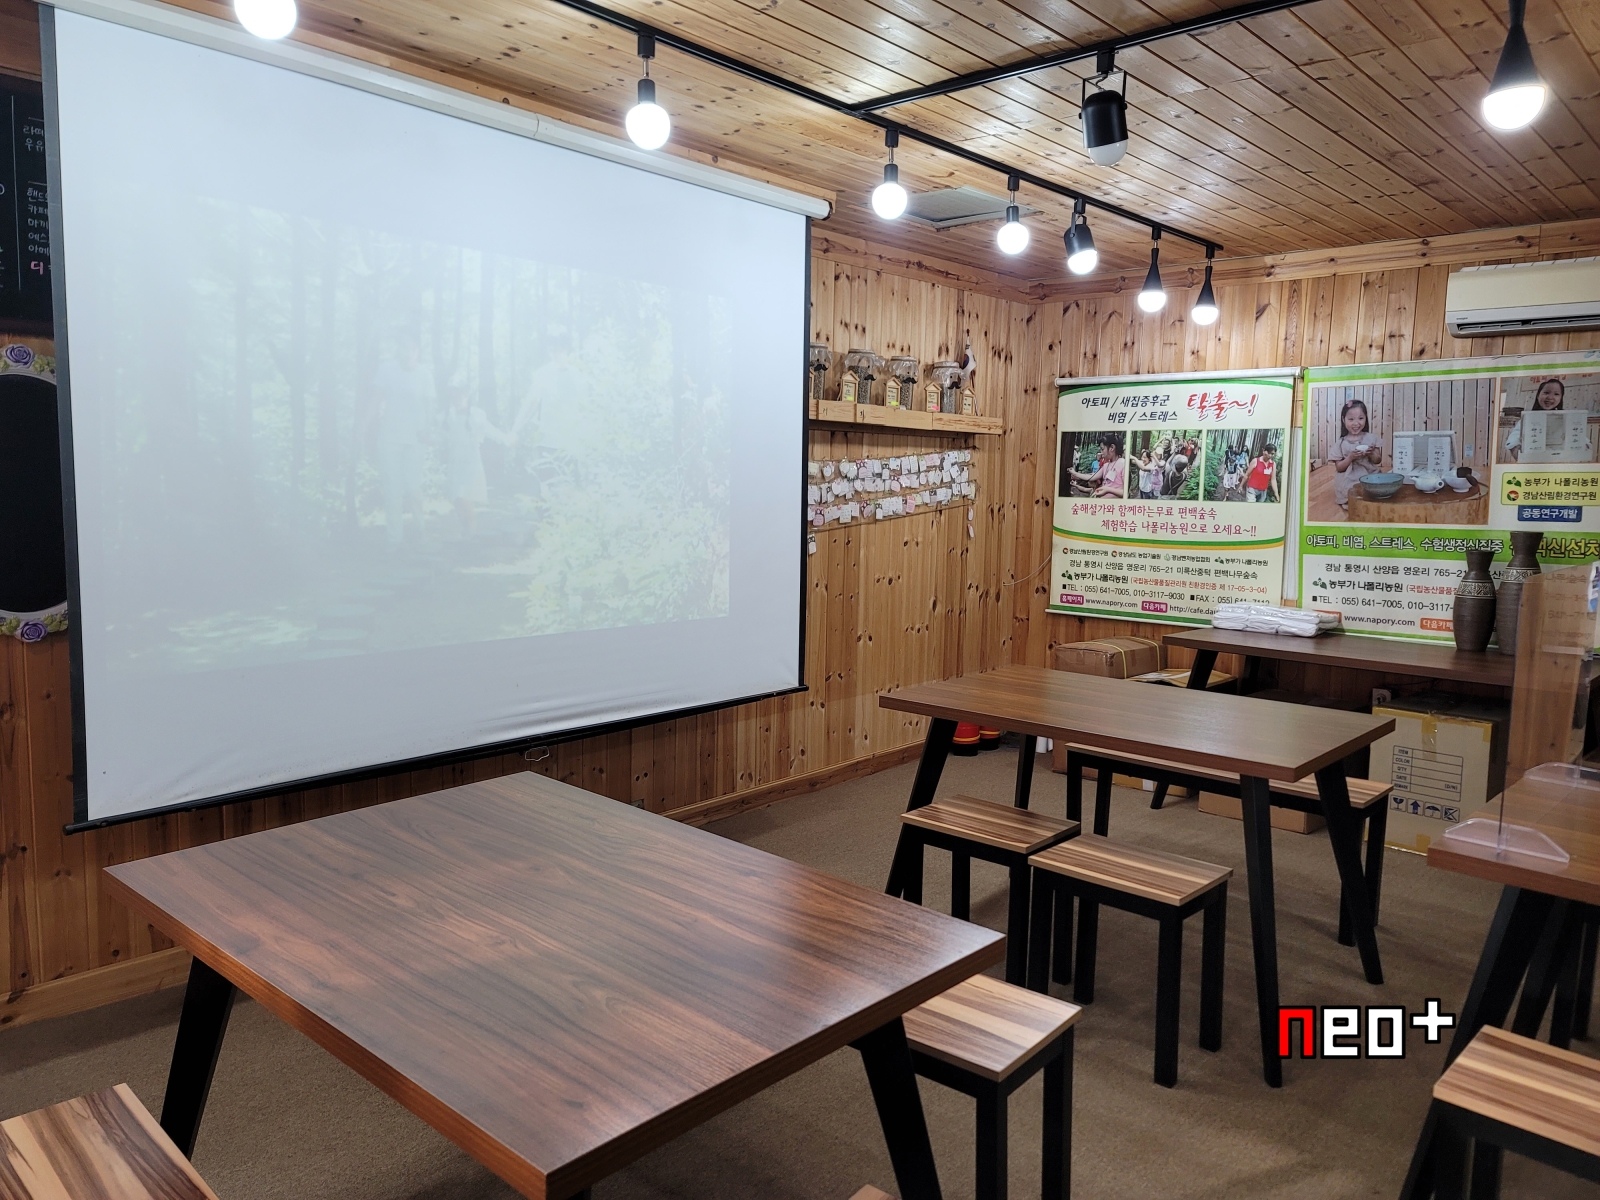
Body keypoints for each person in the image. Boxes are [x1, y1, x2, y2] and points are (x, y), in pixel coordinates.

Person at [373, 336, 433, 545]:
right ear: (398, 349)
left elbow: (430, 405)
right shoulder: (386, 370)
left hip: (415, 439)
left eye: (413, 349)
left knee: (413, 487)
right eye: (404, 348)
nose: (408, 353)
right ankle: (394, 540)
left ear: (418, 351)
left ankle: (419, 530)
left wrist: (427, 430)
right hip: (389, 438)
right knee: (392, 489)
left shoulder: (424, 374)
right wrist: (367, 426)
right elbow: (376, 399)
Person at [440, 384, 513, 534]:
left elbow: (490, 431)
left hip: (470, 461)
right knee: (456, 499)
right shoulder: (446, 416)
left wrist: (506, 439)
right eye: (454, 396)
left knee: (464, 495)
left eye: (460, 395)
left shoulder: (476, 415)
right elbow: (439, 436)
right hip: (454, 461)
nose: (457, 399)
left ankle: (471, 531)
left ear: (466, 395)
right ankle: (466, 529)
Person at [1502, 377, 1576, 462]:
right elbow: (1514, 437)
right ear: (1538, 396)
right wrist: (1516, 449)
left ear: (1561, 398)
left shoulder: (1566, 419)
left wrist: (1585, 444)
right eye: (1546, 392)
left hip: (1559, 460)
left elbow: (1578, 436)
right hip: (1533, 460)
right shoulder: (1527, 418)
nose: (1550, 397)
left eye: (1556, 394)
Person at [1332, 399, 1383, 508]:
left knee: (1381, 487)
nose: (1356, 423)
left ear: (1366, 418)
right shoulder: (1341, 443)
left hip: (1370, 475)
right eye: (1351, 419)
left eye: (1360, 418)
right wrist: (1350, 457)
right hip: (1350, 478)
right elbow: (1339, 468)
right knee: (1354, 492)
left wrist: (1371, 453)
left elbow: (1378, 460)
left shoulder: (1371, 438)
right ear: (1343, 420)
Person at [1070, 433, 1126, 498]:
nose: (1101, 452)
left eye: (1102, 449)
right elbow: (1091, 477)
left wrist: (1108, 490)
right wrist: (1074, 473)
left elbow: (1125, 493)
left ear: (1112, 448)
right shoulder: (1106, 465)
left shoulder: (1123, 464)